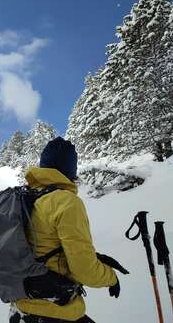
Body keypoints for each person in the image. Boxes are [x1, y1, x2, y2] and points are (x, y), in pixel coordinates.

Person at [10, 137, 121, 323]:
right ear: (70, 169)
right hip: (54, 312)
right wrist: (111, 278)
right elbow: (83, 269)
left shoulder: (26, 198)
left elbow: (44, 247)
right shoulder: (65, 202)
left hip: (21, 309)